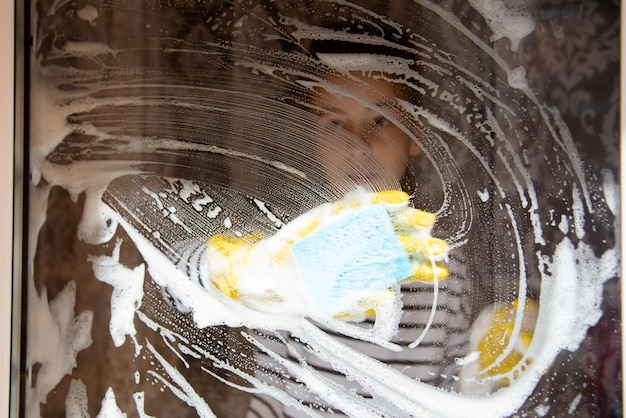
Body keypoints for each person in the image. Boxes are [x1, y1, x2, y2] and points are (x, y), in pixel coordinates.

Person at [244, 55, 473, 417]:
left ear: (413, 134)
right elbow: (271, 396)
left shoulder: (445, 262)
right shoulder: (287, 252)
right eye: (335, 124)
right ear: (314, 141)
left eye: (379, 121)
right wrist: (250, 271)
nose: (358, 144)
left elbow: (452, 384)